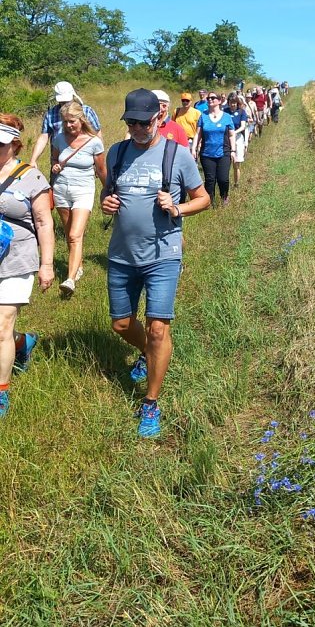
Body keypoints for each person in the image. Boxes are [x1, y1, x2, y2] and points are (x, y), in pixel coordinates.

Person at [100, 89, 210, 438]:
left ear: (158, 119)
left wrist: (177, 208)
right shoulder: (116, 152)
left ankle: (150, 401)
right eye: (130, 122)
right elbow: (108, 192)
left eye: (142, 122)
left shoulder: (177, 155)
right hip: (121, 254)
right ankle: (150, 352)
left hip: (163, 254)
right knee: (120, 325)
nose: (135, 128)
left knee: (159, 328)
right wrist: (106, 203)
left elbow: (203, 198)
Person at [0, 114, 54, 419]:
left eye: (1, 144)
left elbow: (45, 222)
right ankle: (23, 343)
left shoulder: (31, 177)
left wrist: (46, 264)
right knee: (4, 331)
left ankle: (1, 392)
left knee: (1, 325)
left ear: (15, 145)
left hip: (17, 257)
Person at [51, 102, 107, 294]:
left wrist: (108, 190)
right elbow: (54, 160)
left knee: (76, 234)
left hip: (83, 190)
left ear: (81, 120)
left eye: (72, 121)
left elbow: (101, 170)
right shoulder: (58, 139)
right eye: (65, 122)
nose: (68, 126)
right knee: (68, 233)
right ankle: (79, 266)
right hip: (61, 189)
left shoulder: (93, 141)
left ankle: (70, 279)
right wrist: (54, 166)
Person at [30, 81, 102, 167]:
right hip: (58, 162)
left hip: (84, 162)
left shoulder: (87, 111)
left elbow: (97, 134)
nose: (64, 104)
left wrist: (98, 163)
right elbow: (43, 137)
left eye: (67, 100)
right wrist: (33, 160)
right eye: (62, 101)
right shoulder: (51, 114)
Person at [191, 91, 235, 207]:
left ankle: (224, 197)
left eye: (213, 98)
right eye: (209, 98)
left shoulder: (226, 117)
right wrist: (193, 149)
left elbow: (231, 135)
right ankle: (209, 202)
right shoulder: (203, 116)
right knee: (210, 180)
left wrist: (233, 151)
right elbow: (198, 134)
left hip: (223, 152)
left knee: (223, 179)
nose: (210, 100)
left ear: (219, 101)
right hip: (206, 153)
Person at [224, 93, 247, 187]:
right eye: (231, 102)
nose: (233, 104)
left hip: (237, 138)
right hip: (226, 138)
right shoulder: (225, 111)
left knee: (236, 163)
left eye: (234, 103)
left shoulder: (242, 112)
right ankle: (224, 183)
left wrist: (234, 132)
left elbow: (243, 126)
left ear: (237, 103)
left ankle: (236, 183)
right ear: (228, 102)